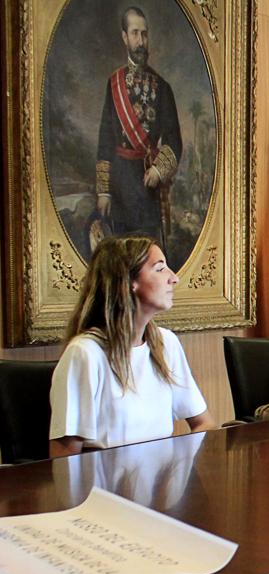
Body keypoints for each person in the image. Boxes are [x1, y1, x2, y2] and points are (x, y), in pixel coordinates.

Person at [49, 236, 215, 456]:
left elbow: (205, 425)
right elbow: (64, 459)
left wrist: (176, 471)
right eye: (160, 269)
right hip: (103, 489)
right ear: (128, 282)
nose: (174, 278)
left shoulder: (166, 343)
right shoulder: (85, 353)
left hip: (160, 487)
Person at [96, 6, 183, 249]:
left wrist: (158, 171)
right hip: (120, 184)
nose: (141, 41)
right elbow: (105, 140)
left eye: (144, 34)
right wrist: (104, 192)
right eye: (135, 33)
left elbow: (174, 141)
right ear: (124, 37)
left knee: (149, 253)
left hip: (147, 186)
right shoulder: (113, 84)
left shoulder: (162, 87)